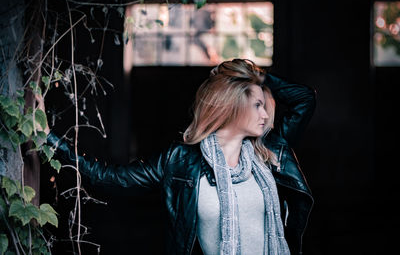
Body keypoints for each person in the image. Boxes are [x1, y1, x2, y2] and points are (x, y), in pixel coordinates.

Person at [39, 58, 316, 255]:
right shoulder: (181, 160)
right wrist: (50, 139)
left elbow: (304, 99)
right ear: (233, 105)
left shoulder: (269, 151)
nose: (265, 115)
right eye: (257, 105)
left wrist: (257, 77)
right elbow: (109, 178)